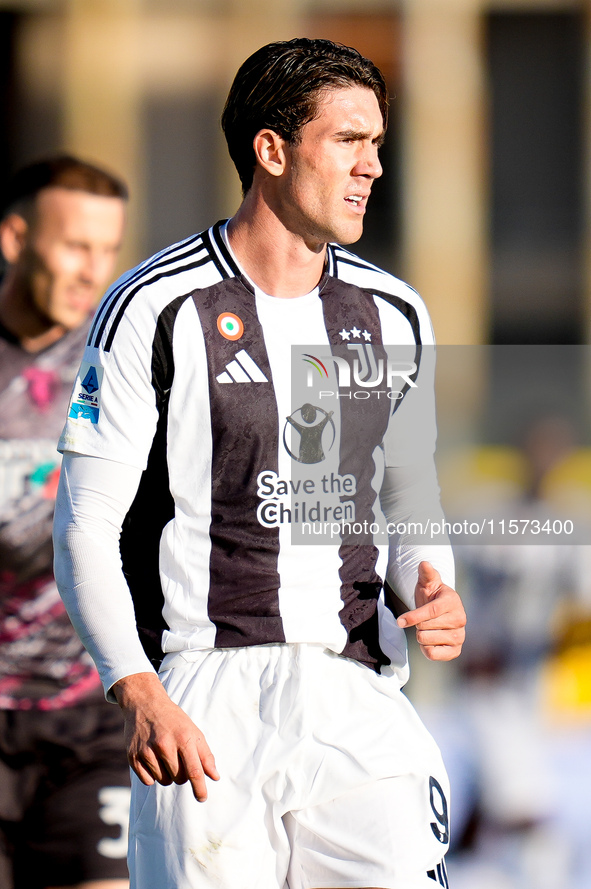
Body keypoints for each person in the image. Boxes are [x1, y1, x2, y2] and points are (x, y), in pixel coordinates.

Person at [53, 39, 466, 889]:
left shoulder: (393, 312)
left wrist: (431, 583)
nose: (374, 166)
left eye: (378, 144)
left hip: (357, 691)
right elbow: (85, 520)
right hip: (205, 696)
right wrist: (136, 688)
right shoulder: (152, 308)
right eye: (349, 141)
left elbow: (408, 488)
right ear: (271, 151)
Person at [0, 155, 130, 889]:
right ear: (16, 239)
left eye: (107, 250)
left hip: (91, 716)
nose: (93, 270)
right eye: (75, 246)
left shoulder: (122, 362)